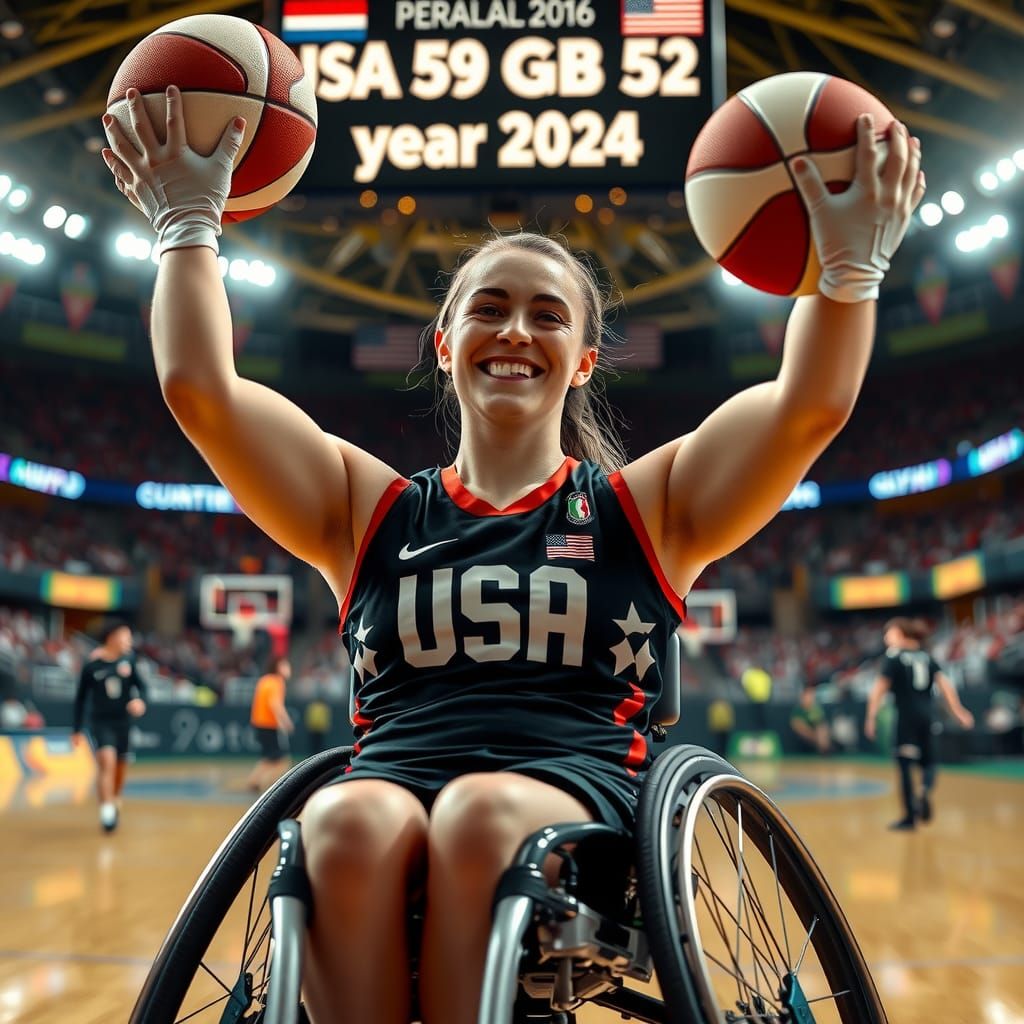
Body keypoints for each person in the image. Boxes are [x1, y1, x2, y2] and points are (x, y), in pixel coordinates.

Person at [101, 87, 923, 1024]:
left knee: (481, 812)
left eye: (548, 316)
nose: (516, 332)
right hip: (394, 774)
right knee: (341, 817)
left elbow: (804, 407)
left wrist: (848, 267)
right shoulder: (366, 508)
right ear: (446, 343)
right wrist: (187, 221)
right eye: (489, 309)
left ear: (582, 360)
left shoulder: (642, 508)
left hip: (578, 796)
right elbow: (200, 388)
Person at [865, 617, 974, 831]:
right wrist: (959, 712)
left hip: (906, 718)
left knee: (905, 766)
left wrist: (871, 717)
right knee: (930, 763)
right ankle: (924, 789)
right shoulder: (927, 657)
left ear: (900, 633)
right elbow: (945, 686)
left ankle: (909, 817)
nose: (886, 637)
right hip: (928, 717)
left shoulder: (893, 658)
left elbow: (878, 690)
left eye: (889, 632)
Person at [71, 619, 147, 832]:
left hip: (123, 722)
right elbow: (80, 699)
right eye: (125, 636)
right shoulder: (92, 666)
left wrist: (140, 701)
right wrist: (76, 729)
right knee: (107, 762)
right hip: (101, 722)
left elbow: (143, 688)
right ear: (111, 637)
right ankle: (106, 811)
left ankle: (114, 798)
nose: (129, 641)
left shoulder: (129, 661)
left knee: (120, 768)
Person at [246, 656, 294, 792]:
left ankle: (254, 782)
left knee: (268, 757)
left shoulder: (264, 680)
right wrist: (285, 722)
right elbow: (275, 704)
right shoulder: (277, 682)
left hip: (258, 724)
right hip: (269, 725)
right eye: (285, 665)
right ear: (278, 667)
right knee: (282, 762)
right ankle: (269, 789)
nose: (289, 669)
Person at [790, 685, 831, 754]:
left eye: (812, 696)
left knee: (822, 729)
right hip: (806, 735)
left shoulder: (815, 709)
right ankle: (823, 746)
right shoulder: (798, 710)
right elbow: (796, 724)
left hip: (817, 733)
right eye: (808, 696)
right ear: (803, 697)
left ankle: (824, 748)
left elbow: (820, 722)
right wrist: (813, 735)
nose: (810, 698)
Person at [305, 689, 333, 757]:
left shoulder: (314, 706)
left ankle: (317, 757)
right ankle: (316, 757)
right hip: (316, 729)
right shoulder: (322, 707)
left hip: (318, 729)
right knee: (316, 746)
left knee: (317, 745)